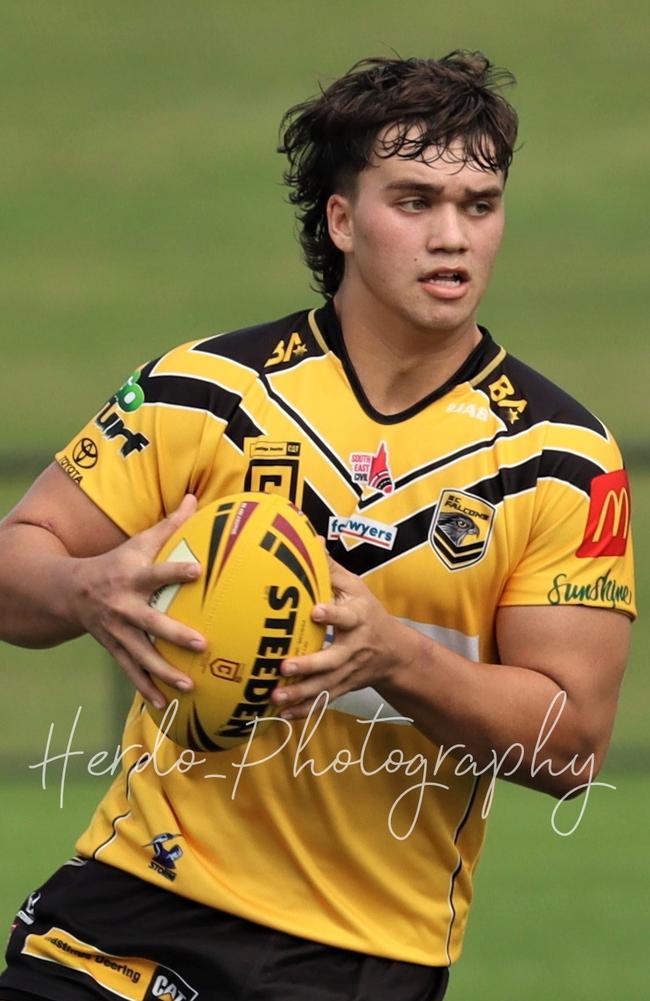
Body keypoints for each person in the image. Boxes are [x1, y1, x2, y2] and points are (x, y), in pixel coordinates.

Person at [0, 51, 635, 1001]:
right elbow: (18, 561)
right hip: (132, 904)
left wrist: (395, 657)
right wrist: (80, 588)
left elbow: (571, 744)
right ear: (341, 220)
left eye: (480, 203)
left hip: (359, 958)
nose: (452, 236)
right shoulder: (206, 392)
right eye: (414, 201)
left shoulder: (562, 460)